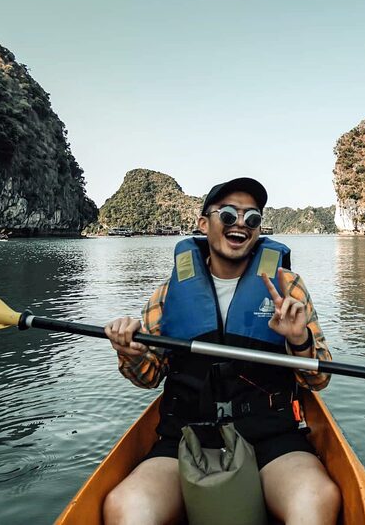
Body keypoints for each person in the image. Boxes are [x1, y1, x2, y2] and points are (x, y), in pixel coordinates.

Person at [103, 177, 340, 525]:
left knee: (317, 498)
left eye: (252, 217)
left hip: (270, 436)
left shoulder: (287, 287)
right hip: (185, 435)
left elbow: (318, 380)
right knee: (124, 506)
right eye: (228, 215)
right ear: (203, 224)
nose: (240, 223)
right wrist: (131, 351)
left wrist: (298, 339)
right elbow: (148, 377)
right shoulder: (168, 293)